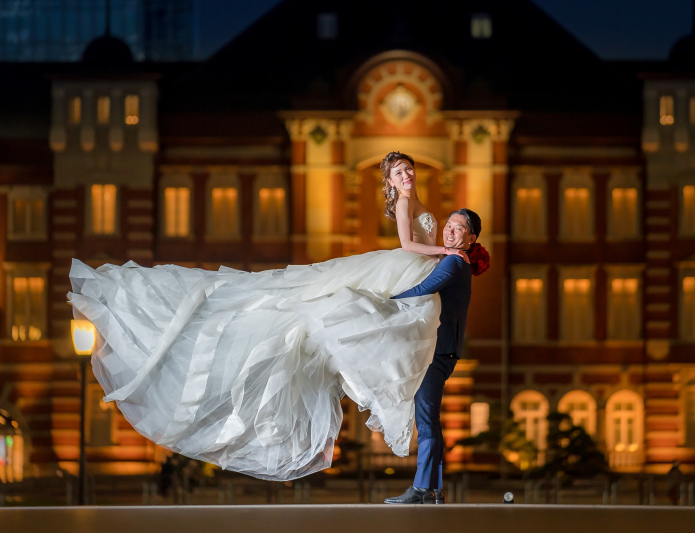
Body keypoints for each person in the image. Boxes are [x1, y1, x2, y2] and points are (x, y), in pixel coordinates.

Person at [68, 152, 467, 482]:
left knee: (387, 322)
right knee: (357, 310)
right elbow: (407, 243)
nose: (407, 175)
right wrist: (444, 253)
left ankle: (384, 389)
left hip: (415, 269)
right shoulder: (405, 204)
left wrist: (444, 254)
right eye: (399, 172)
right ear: (391, 183)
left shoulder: (418, 203)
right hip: (407, 264)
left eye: (408, 169)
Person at [385, 208, 485, 505]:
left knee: (427, 418)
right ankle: (433, 487)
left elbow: (422, 290)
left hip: (438, 351)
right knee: (429, 418)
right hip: (442, 349)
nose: (450, 231)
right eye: (449, 225)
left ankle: (421, 488)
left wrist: (384, 301)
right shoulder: (454, 260)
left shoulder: (454, 262)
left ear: (471, 238)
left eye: (459, 228)